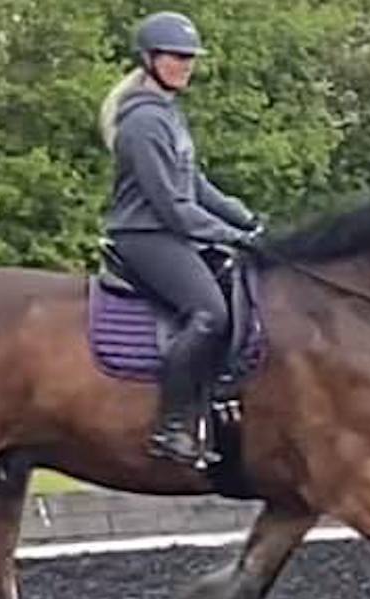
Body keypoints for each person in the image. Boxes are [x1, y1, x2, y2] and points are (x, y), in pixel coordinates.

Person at [98, 10, 263, 465]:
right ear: (149, 59)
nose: (185, 65)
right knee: (208, 312)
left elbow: (197, 186)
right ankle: (172, 428)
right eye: (175, 57)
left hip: (169, 229)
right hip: (145, 234)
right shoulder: (143, 123)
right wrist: (231, 235)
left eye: (189, 58)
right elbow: (173, 206)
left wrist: (247, 219)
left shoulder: (168, 114)